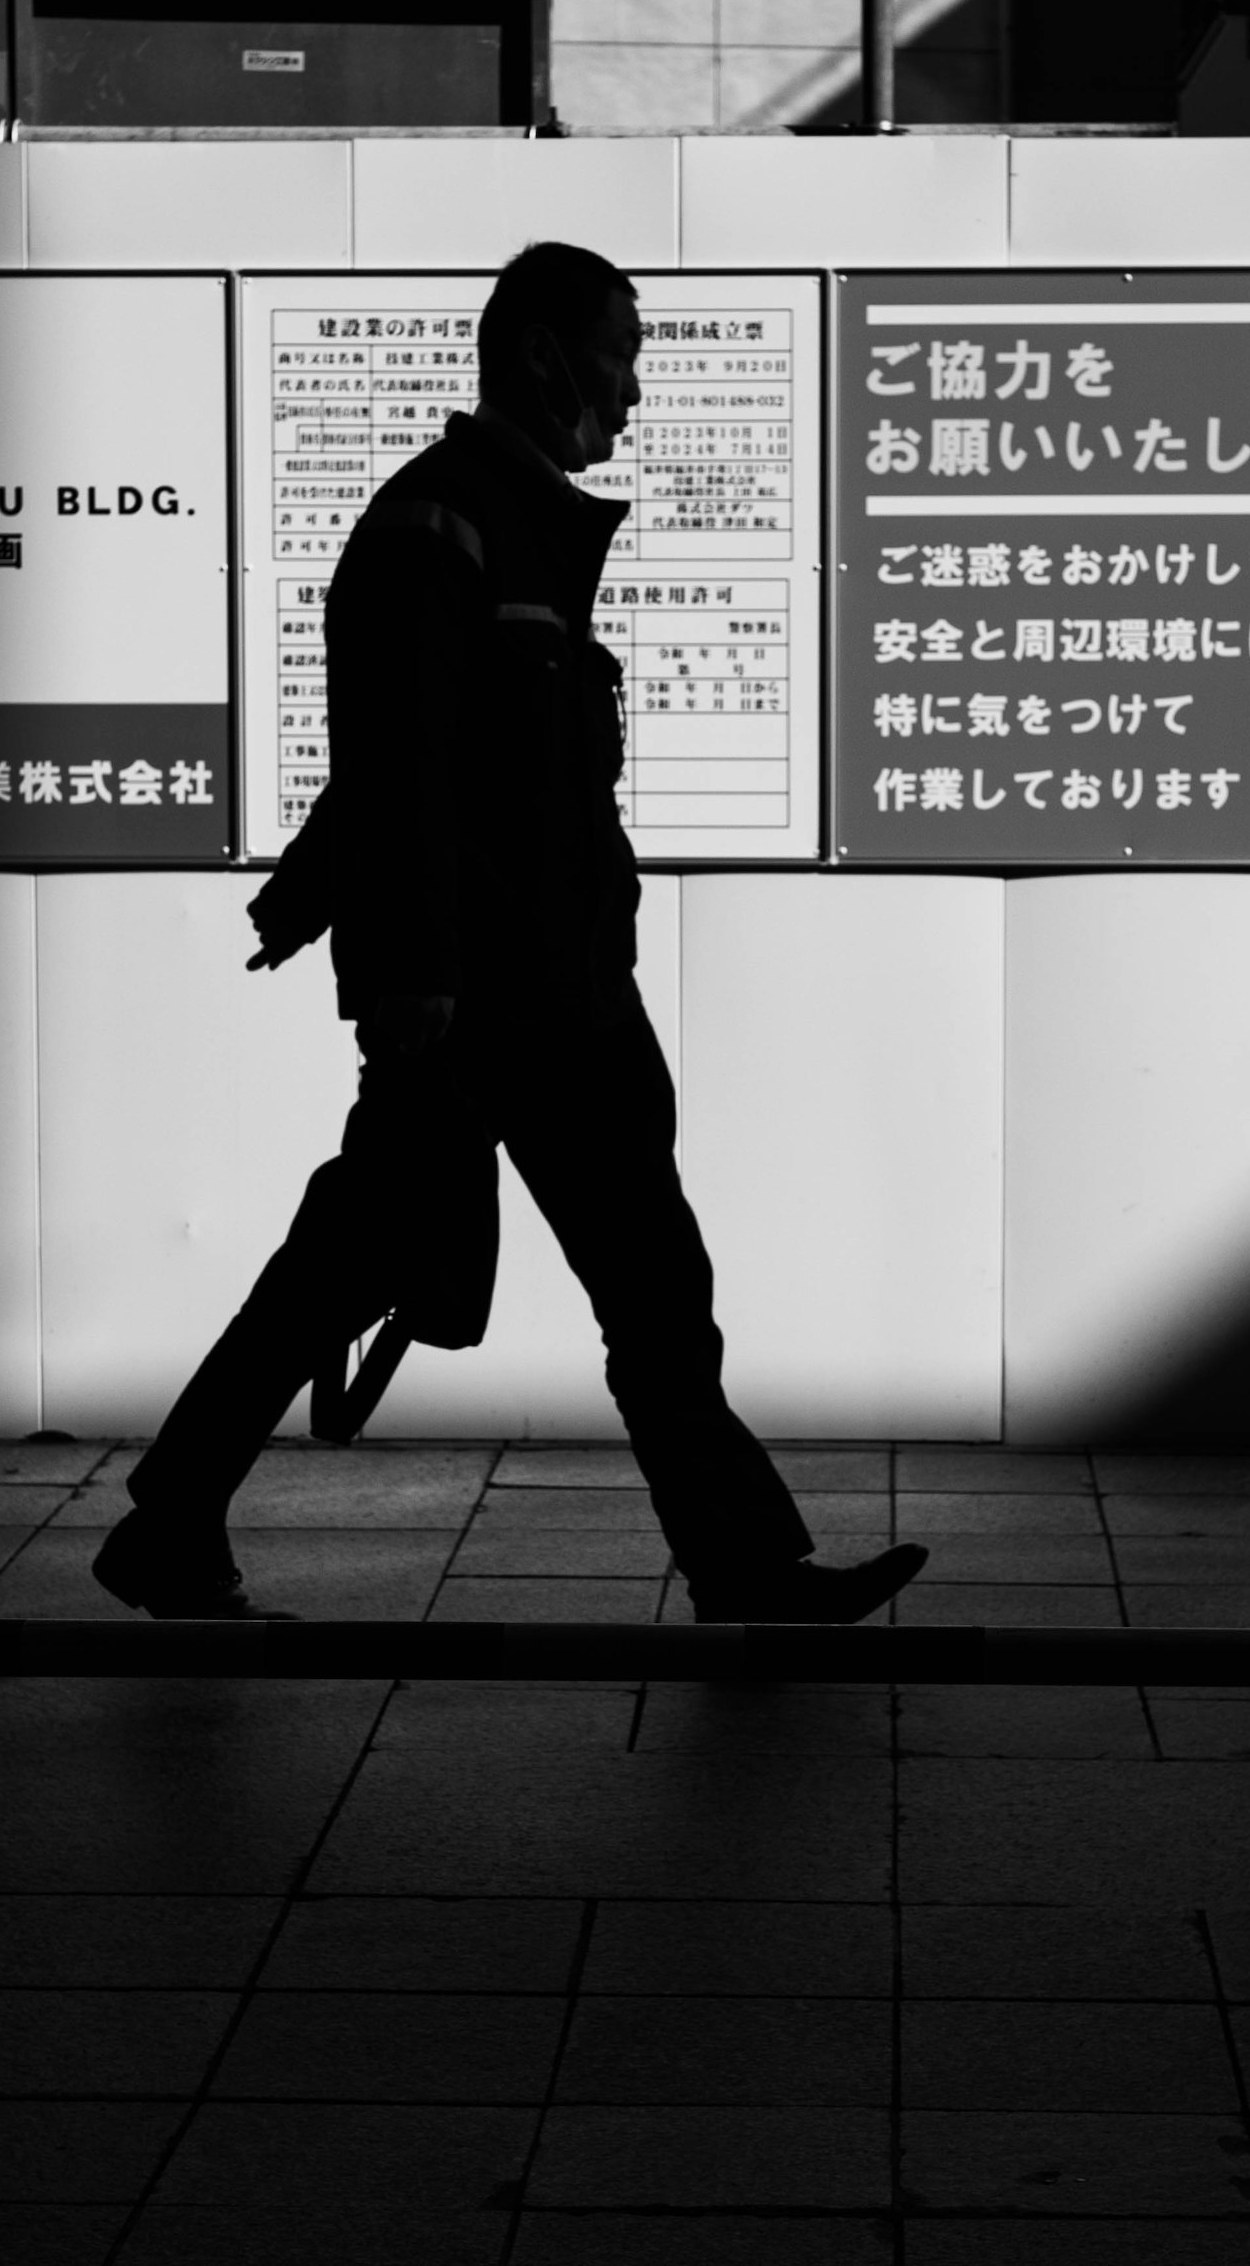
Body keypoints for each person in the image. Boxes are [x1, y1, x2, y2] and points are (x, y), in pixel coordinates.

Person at [94, 241, 930, 1626]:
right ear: (542, 355)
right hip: (487, 1005)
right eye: (621, 356)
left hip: (564, 990)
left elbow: (444, 762)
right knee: (410, 1271)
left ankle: (744, 1567)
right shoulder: (439, 526)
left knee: (620, 1283)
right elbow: (399, 757)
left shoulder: (507, 526)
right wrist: (400, 973)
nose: (636, 393)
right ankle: (175, 1521)